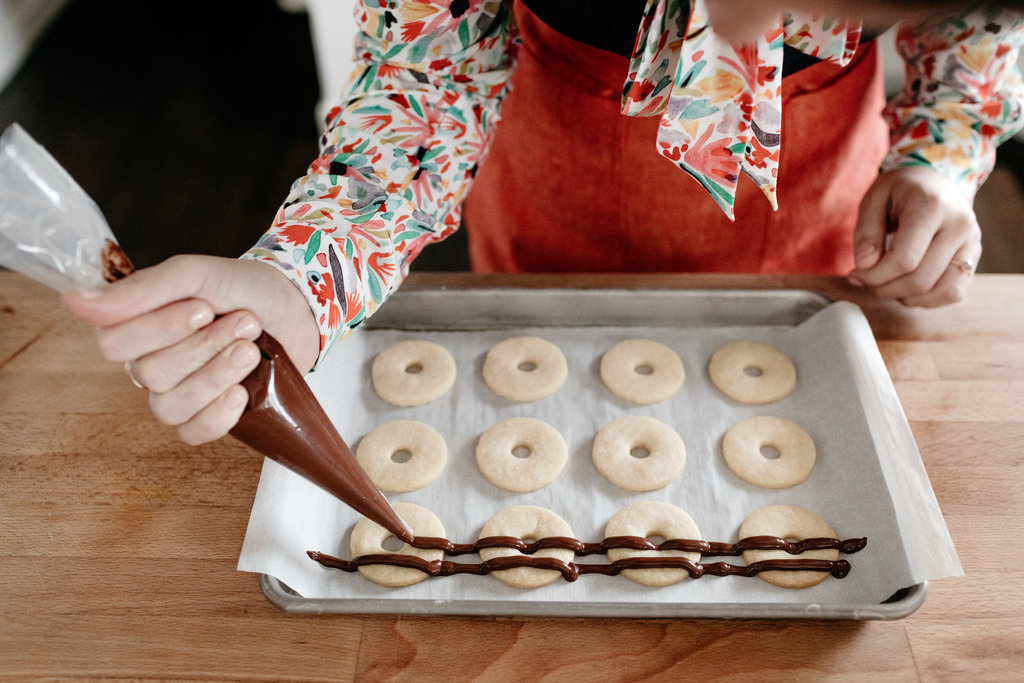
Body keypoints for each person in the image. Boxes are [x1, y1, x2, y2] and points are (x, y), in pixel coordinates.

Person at [64, 0, 1024, 446]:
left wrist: (939, 156)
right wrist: (299, 279)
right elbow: (425, 83)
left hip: (816, 221)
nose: (747, 30)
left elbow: (972, 18)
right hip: (549, 205)